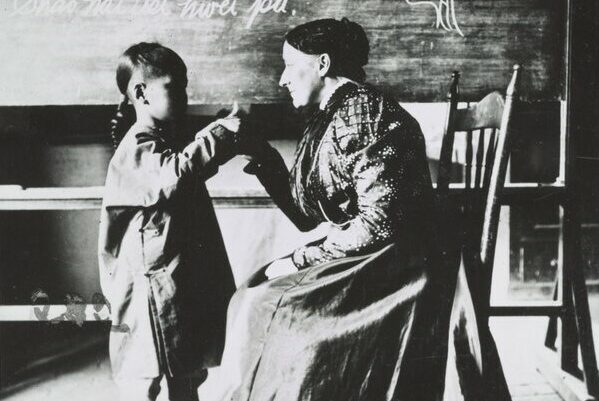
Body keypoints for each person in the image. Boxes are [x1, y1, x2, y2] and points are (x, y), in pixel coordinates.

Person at [211, 18, 456, 401]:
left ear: (322, 64)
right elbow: (307, 214)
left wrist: (303, 258)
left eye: (291, 65)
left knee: (263, 302)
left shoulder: (368, 116)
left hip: (398, 266)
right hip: (365, 254)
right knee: (252, 292)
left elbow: (379, 222)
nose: (282, 79)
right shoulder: (328, 116)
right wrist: (260, 151)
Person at [97, 42, 239, 401]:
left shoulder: (160, 140)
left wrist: (216, 134)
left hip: (171, 281)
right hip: (153, 287)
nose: (186, 96)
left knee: (184, 369)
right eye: (175, 87)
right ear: (141, 94)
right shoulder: (137, 145)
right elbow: (174, 174)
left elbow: (184, 170)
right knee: (153, 375)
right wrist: (219, 134)